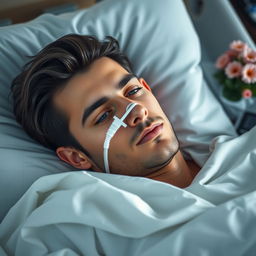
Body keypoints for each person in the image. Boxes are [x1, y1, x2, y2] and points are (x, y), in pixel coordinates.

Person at [11, 34, 200, 188]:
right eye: (103, 116)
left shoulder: (226, 155)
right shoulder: (101, 226)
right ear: (77, 157)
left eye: (133, 91)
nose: (137, 112)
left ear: (147, 88)